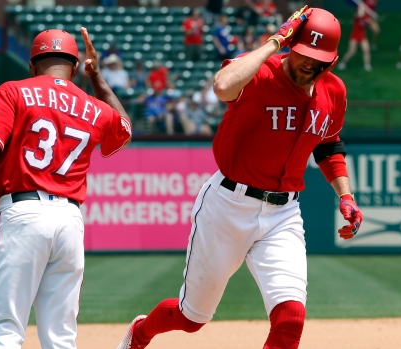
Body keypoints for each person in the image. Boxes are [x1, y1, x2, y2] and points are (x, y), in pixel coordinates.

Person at [116, 7, 363, 349]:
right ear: (292, 45)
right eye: (303, 53)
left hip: (283, 213)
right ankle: (141, 333)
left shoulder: (333, 91)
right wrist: (275, 41)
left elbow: (328, 146)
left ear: (331, 60)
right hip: (228, 205)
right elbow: (222, 85)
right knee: (191, 318)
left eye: (318, 58)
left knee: (290, 318)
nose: (309, 63)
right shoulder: (259, 73)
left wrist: (346, 196)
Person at [0, 28, 132, 349]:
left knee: (6, 331)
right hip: (69, 222)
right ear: (76, 67)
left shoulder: (14, 91)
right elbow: (125, 128)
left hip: (23, 213)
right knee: (61, 336)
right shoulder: (94, 107)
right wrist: (97, 78)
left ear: (32, 66)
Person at [337, 2, 375, 72]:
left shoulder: (366, 17)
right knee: (352, 51)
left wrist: (371, 18)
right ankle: (343, 63)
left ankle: (367, 65)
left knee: (366, 50)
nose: (362, 10)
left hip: (362, 35)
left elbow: (369, 23)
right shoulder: (356, 16)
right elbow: (359, 16)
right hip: (354, 35)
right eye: (361, 9)